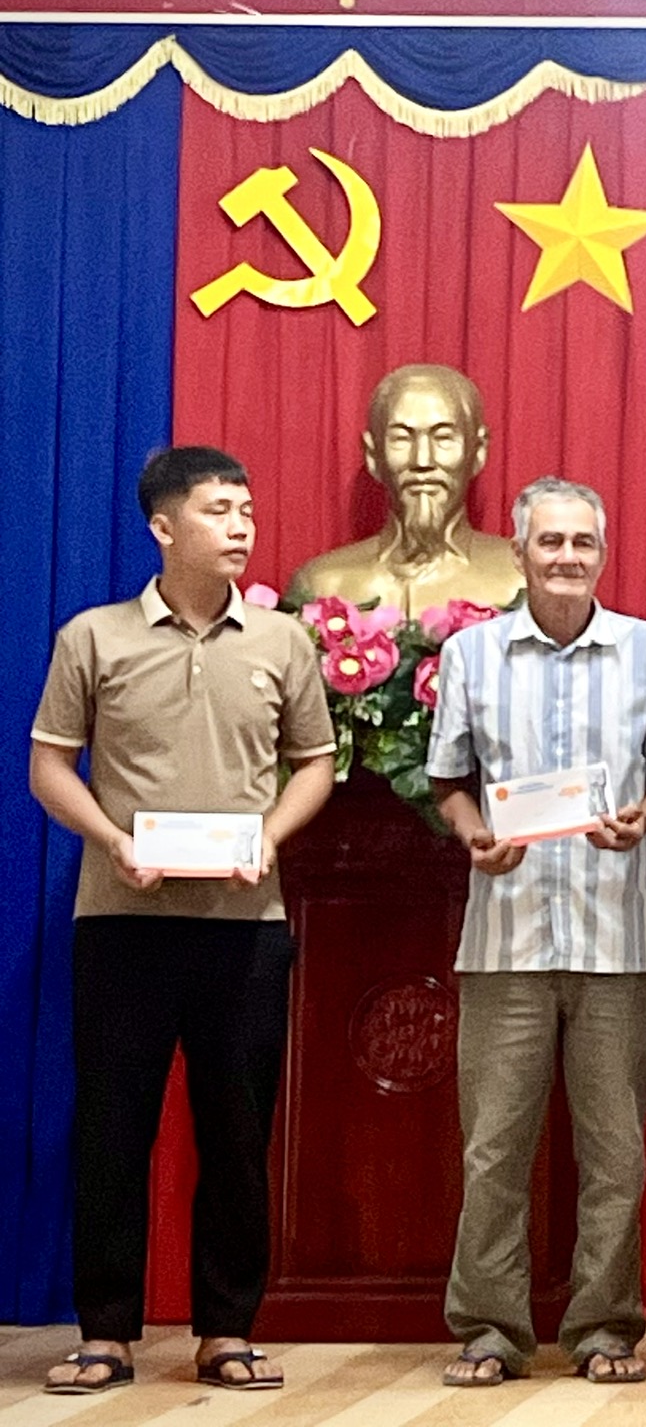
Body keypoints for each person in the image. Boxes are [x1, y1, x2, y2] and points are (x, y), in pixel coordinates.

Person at [30, 448, 337, 1395]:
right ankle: (106, 1333)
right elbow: (49, 766)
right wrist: (113, 840)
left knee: (237, 1132)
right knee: (112, 1127)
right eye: (217, 510)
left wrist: (269, 838)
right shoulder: (94, 637)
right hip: (122, 918)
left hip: (245, 923)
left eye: (247, 509)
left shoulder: (282, 641)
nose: (241, 526)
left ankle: (226, 1330)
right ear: (164, 527)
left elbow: (316, 763)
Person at [425, 477, 646, 1387]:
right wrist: (474, 835)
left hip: (616, 937)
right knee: (494, 1148)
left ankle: (605, 1327)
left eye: (583, 542)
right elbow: (447, 781)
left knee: (615, 1152)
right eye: (549, 542)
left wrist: (643, 817)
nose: (566, 557)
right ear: (519, 552)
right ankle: (489, 1330)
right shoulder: (469, 654)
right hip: (504, 938)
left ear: (603, 553)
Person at [286, 363, 523, 613]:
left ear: (478, 451)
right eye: (401, 438)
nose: (422, 460)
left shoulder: (520, 579)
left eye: (443, 438)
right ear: (372, 455)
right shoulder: (321, 586)